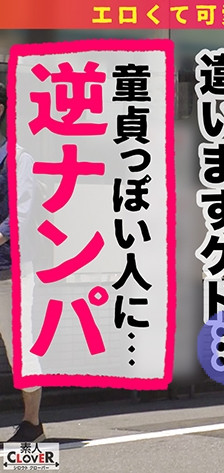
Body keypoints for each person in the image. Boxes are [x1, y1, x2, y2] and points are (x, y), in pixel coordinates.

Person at [0, 82, 44, 442]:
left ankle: (32, 424)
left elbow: (19, 214)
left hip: (9, 272)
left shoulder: (18, 158)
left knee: (19, 349)